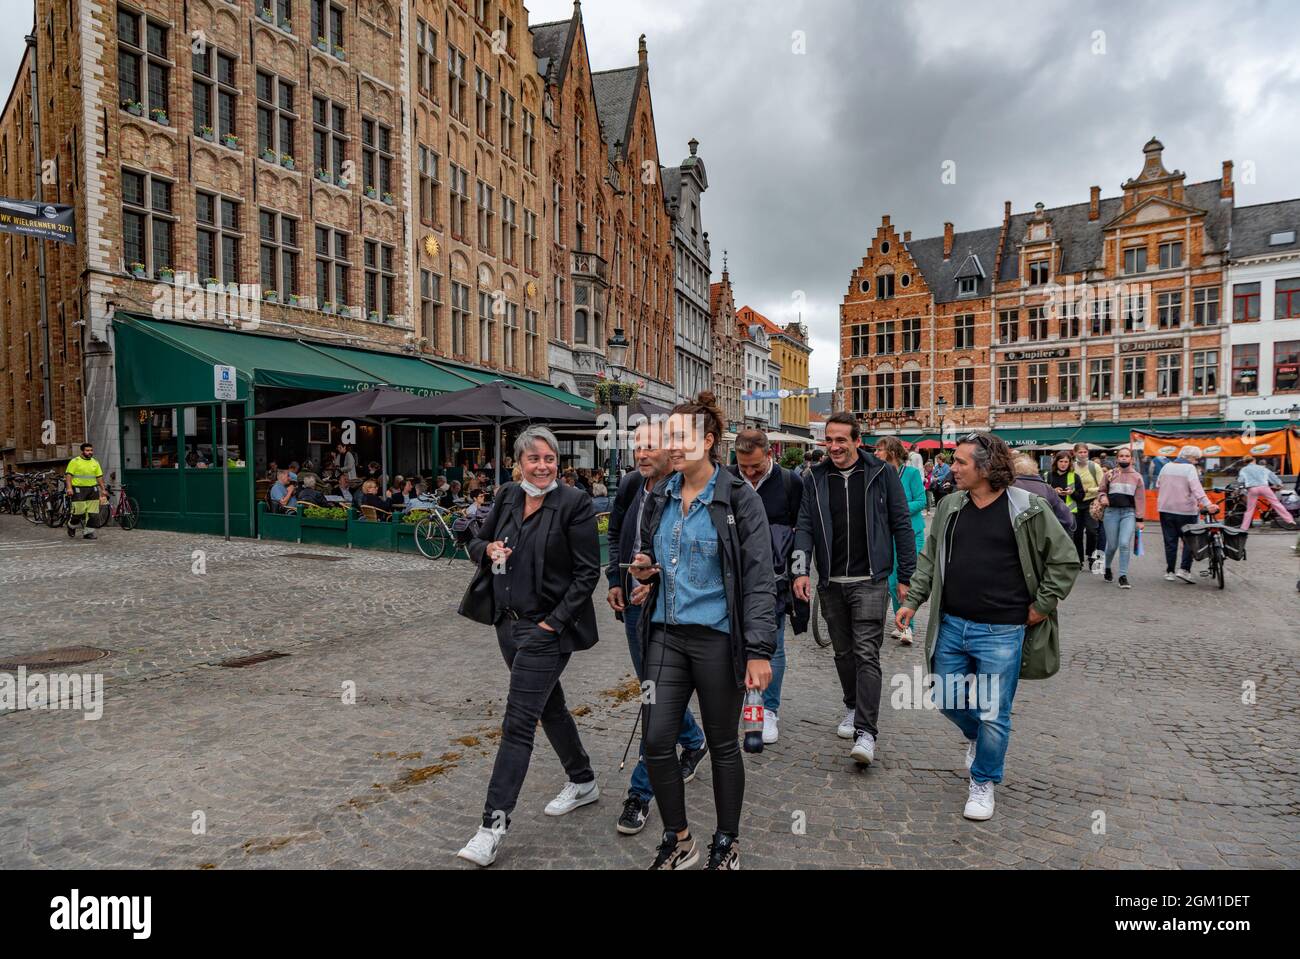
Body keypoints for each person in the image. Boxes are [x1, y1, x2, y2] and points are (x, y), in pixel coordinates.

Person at [896, 432, 1079, 821]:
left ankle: (983, 780)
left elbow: (1065, 560)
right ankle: (980, 738)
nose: (951, 468)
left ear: (986, 467)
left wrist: (1042, 606)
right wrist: (913, 601)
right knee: (946, 698)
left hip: (1003, 630)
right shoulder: (950, 506)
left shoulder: (1027, 508)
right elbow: (930, 557)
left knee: (995, 711)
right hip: (952, 624)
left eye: (961, 462)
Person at [627, 392, 775, 870]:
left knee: (724, 744)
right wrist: (646, 570)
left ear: (708, 441)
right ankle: (680, 838)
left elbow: (756, 578)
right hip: (666, 635)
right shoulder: (659, 495)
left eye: (679, 437)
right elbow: (651, 552)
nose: (669, 445)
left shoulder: (738, 499)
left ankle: (726, 843)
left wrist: (758, 650)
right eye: (667, 436)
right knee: (656, 739)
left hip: (718, 639)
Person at [455, 426, 601, 867]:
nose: (542, 466)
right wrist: (489, 549)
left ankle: (491, 827)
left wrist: (551, 626)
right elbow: (475, 540)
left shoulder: (574, 505)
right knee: (548, 707)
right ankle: (583, 780)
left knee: (518, 722)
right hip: (507, 625)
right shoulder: (507, 496)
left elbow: (587, 574)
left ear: (559, 462)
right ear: (518, 462)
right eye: (534, 459)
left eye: (550, 459)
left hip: (546, 633)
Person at [791, 412, 917, 765]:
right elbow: (804, 527)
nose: (833, 446)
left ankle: (866, 732)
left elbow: (901, 524)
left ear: (857, 441)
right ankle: (851, 705)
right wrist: (801, 571)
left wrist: (906, 575)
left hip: (871, 580)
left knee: (866, 652)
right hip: (831, 582)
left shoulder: (881, 473)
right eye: (829, 440)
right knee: (843, 653)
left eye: (841, 440)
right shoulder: (813, 478)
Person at [605, 421, 709, 837]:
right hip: (634, 610)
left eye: (650, 448)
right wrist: (615, 579)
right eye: (637, 447)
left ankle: (640, 793)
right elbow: (615, 534)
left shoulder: (684, 492)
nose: (642, 455)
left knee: (655, 701)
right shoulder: (633, 486)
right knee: (650, 688)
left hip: (670, 612)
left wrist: (658, 581)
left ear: (671, 451)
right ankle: (693, 738)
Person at [731, 428, 804, 744]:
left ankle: (767, 708)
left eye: (755, 467)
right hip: (733, 577)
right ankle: (740, 699)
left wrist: (800, 572)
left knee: (771, 644)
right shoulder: (726, 478)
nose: (748, 473)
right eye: (743, 466)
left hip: (774, 578)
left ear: (770, 455)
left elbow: (803, 529)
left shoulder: (791, 482)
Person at [876, 437, 927, 646]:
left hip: (911, 534)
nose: (876, 453)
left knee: (905, 581)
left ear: (892, 452)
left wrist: (898, 509)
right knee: (891, 582)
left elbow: (922, 500)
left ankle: (908, 627)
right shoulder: (879, 475)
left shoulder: (912, 474)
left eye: (880, 449)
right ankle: (902, 624)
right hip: (889, 535)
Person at [1156, 445, 1219, 583]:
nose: (1196, 462)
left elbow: (1158, 485)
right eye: (1196, 459)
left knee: (1170, 541)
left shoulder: (1165, 467)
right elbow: (1197, 489)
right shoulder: (1190, 468)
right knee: (1189, 540)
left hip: (1165, 509)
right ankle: (1184, 570)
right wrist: (1208, 505)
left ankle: (1170, 572)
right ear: (1190, 457)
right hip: (1185, 511)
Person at [1098, 447, 1146, 588]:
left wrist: (1140, 519)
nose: (1124, 458)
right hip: (1111, 513)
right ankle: (1107, 568)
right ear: (1117, 458)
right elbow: (1101, 490)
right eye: (1121, 456)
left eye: (1127, 456)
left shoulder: (1137, 477)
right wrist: (1103, 497)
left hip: (1128, 513)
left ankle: (1123, 576)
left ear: (1131, 459)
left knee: (1124, 544)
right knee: (1112, 545)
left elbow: (1140, 499)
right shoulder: (1110, 474)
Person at [1012, 454, 1074, 532]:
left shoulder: (1007, 488)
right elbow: (1067, 519)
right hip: (1042, 534)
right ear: (1035, 470)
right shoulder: (1047, 488)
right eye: (1061, 461)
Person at [1236, 455, 1296, 530]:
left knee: (1250, 509)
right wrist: (1279, 484)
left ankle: (1244, 528)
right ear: (1254, 461)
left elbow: (1240, 480)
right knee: (1276, 504)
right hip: (1264, 488)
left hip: (1252, 489)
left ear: (1245, 462)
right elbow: (1272, 476)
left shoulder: (1244, 469)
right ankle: (1289, 520)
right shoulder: (1262, 468)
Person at [1071, 443, 1105, 570]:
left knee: (1092, 531)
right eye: (1080, 452)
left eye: (1085, 452)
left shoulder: (1094, 466)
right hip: (1075, 502)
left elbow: (1102, 486)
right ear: (1074, 453)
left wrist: (1089, 489)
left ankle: (1091, 557)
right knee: (1077, 533)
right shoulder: (1071, 467)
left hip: (1091, 502)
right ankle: (1079, 560)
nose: (1083, 454)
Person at [64, 442, 107, 540]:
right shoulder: (75, 461)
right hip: (78, 489)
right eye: (87, 450)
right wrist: (69, 488)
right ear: (82, 451)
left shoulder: (95, 462)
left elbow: (99, 477)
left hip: (93, 489)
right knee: (79, 511)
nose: (90, 452)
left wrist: (103, 489)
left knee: (93, 513)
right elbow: (69, 475)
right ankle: (71, 526)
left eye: (91, 450)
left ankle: (88, 533)